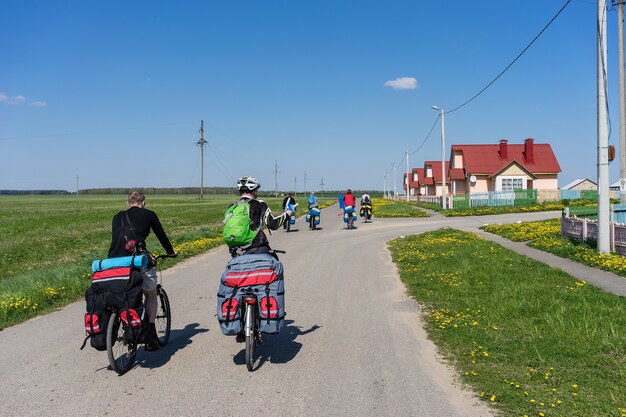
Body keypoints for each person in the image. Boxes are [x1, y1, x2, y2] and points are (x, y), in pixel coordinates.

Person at [108, 189, 177, 351]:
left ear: (127, 204)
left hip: (114, 262)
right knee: (151, 293)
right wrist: (171, 252)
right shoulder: (149, 214)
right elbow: (161, 235)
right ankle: (151, 335)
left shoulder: (117, 217)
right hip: (137, 260)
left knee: (123, 294)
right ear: (143, 203)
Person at [230, 176, 291, 259]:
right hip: (257, 247)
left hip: (236, 251)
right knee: (275, 263)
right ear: (254, 191)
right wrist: (286, 214)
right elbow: (273, 224)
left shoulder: (233, 206)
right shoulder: (260, 204)